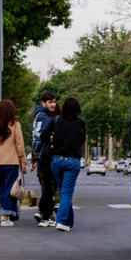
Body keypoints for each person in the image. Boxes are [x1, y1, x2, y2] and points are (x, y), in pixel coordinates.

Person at [45, 96, 87, 232]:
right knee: (67, 192)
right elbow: (82, 140)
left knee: (64, 191)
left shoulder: (56, 121)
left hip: (56, 160)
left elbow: (43, 135)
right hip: (72, 161)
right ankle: (61, 221)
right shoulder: (80, 123)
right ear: (77, 109)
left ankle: (69, 221)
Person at [0, 99, 27, 227]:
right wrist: (23, 161)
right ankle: (5, 216)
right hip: (12, 162)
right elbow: (20, 145)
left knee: (3, 188)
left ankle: (6, 213)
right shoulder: (15, 125)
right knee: (9, 189)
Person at [31, 91, 59, 227]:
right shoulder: (45, 117)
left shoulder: (38, 115)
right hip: (45, 156)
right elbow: (41, 137)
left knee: (48, 187)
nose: (53, 105)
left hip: (40, 155)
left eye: (54, 102)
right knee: (49, 187)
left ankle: (44, 213)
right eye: (50, 102)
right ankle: (45, 214)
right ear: (44, 103)